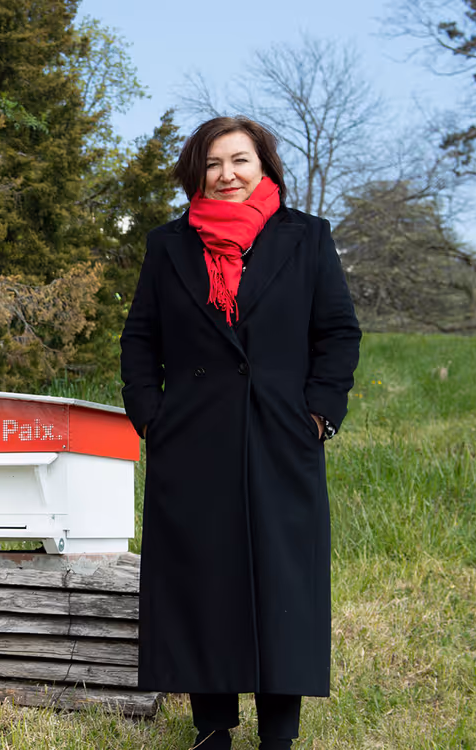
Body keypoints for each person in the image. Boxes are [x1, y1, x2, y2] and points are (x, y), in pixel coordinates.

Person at [119, 116, 361, 750]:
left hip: (282, 434)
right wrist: (151, 414)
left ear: (264, 167)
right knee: (205, 579)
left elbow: (337, 333)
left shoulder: (307, 238)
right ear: (195, 173)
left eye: (240, 161)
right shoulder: (168, 245)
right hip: (193, 438)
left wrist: (320, 409)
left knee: (284, 581)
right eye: (212, 164)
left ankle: (279, 734)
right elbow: (141, 338)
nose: (226, 174)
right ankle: (212, 729)